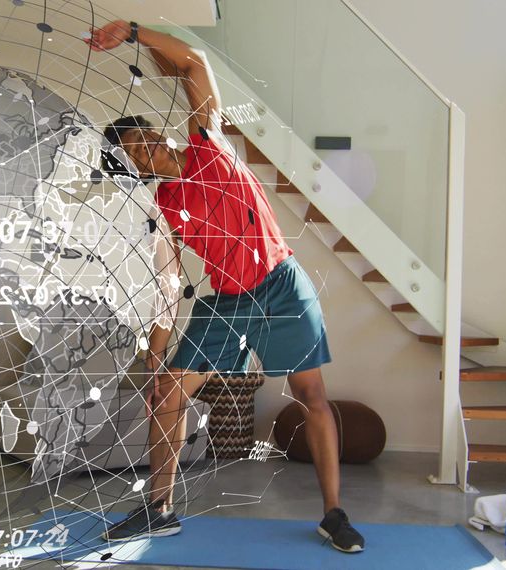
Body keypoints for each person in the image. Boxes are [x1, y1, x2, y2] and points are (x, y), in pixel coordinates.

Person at [86, 20, 365, 554]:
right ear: (136, 170)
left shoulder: (208, 142)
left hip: (282, 285)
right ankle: (158, 509)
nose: (145, 149)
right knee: (166, 393)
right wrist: (158, 346)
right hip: (229, 300)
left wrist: (134, 33)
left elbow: (193, 62)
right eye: (133, 154)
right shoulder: (163, 206)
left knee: (313, 398)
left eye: (142, 137)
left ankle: (334, 513)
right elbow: (167, 277)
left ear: (155, 131)